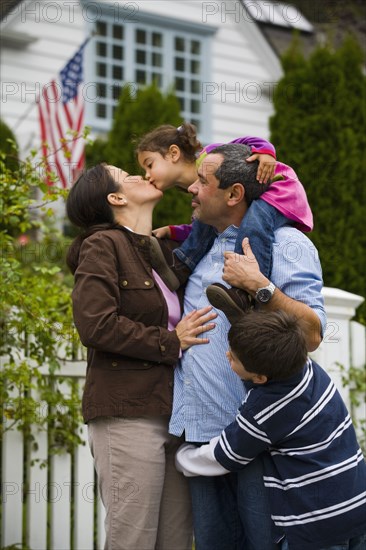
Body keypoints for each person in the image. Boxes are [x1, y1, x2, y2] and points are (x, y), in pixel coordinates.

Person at [169, 143, 327, 550]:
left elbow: (310, 334)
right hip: (201, 435)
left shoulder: (285, 243)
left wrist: (260, 287)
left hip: (257, 442)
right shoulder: (205, 246)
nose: (192, 189)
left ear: (234, 194)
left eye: (202, 182)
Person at [65, 163, 217, 550]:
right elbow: (95, 325)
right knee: (132, 540)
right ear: (115, 198)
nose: (142, 175)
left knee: (176, 541)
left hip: (174, 415)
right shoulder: (103, 245)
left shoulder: (158, 251)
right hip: (127, 414)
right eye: (127, 175)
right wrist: (172, 341)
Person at [176, 309, 366, 550]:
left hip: (316, 523)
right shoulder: (309, 369)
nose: (227, 356)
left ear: (260, 378)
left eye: (233, 358)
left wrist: (182, 457)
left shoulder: (267, 408)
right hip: (356, 503)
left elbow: (224, 456)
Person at [137, 123, 313, 282]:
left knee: (255, 222)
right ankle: (181, 267)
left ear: (173, 153)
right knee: (206, 221)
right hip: (261, 192)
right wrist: (172, 231)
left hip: (279, 187)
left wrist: (266, 153)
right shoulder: (199, 190)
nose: (146, 174)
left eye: (150, 165)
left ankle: (248, 287)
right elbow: (202, 230)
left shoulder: (211, 155)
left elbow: (248, 141)